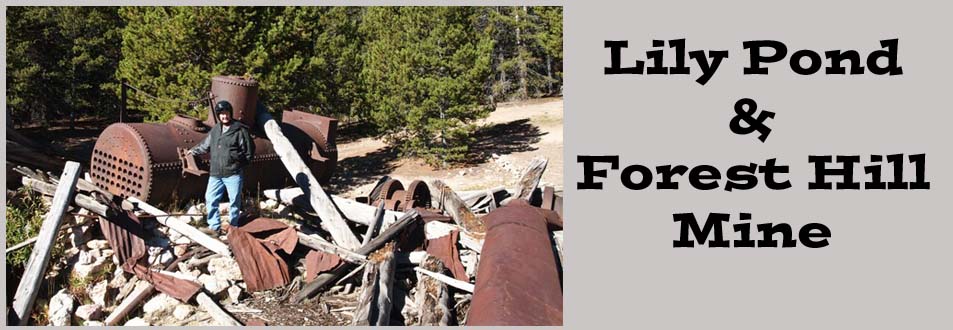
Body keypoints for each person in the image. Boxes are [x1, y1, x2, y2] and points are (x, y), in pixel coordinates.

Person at [188, 100, 255, 236]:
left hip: (233, 174)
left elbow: (249, 151)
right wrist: (193, 151)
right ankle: (214, 227)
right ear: (218, 116)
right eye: (221, 114)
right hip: (216, 173)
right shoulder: (216, 130)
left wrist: (238, 163)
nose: (224, 116)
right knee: (210, 198)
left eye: (226, 113)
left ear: (230, 113)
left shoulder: (239, 130)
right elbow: (206, 145)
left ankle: (233, 227)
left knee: (234, 202)